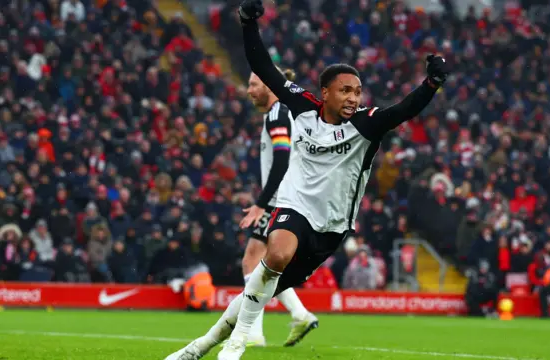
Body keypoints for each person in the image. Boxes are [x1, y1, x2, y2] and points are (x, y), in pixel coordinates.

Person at [164, 0, 448, 358]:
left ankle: (199, 347)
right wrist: (248, 22)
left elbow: (403, 110)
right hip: (294, 204)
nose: (353, 98)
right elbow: (264, 68)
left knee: (261, 286)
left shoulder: (366, 125)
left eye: (357, 92)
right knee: (276, 253)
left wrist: (431, 85)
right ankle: (235, 346)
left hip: (330, 225)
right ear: (325, 93)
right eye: (345, 90)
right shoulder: (302, 108)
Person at [236, 67, 318, 347]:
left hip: (278, 199)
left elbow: (282, 159)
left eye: (254, 84)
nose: (249, 90)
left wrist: (261, 204)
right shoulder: (285, 112)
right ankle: (299, 314)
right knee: (265, 264)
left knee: (252, 260)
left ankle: (253, 333)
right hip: (289, 197)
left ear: (270, 86)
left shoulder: (277, 114)